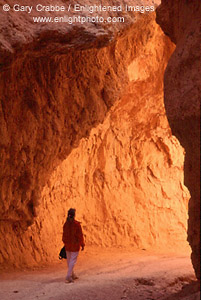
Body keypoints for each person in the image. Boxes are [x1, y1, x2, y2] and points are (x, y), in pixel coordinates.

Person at [62, 208, 85, 283]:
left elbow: (64, 235)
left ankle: (72, 274)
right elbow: (80, 235)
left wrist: (65, 242)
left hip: (67, 245)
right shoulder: (76, 225)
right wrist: (82, 244)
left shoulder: (66, 224)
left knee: (69, 260)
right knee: (72, 261)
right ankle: (68, 276)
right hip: (74, 245)